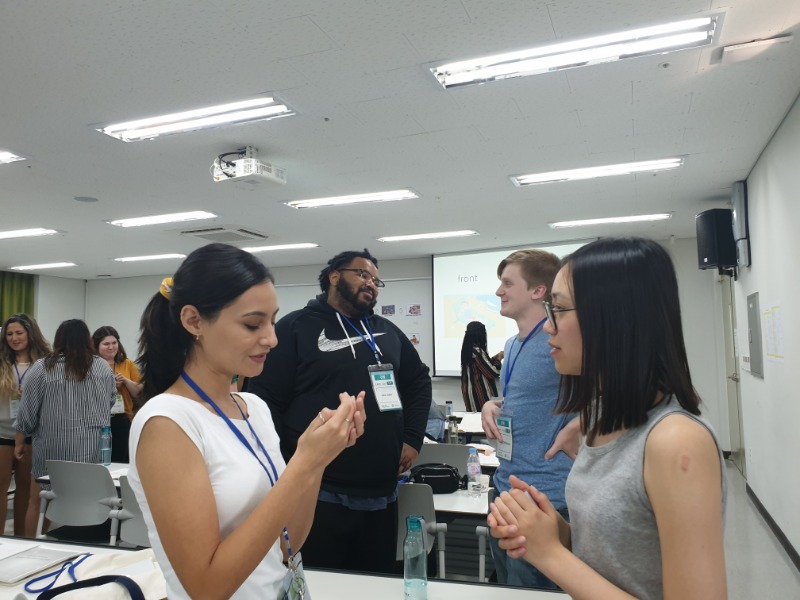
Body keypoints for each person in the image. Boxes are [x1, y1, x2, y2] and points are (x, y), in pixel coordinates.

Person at [489, 237, 727, 600]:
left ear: (612, 319)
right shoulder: (602, 419)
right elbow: (616, 557)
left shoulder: (676, 440)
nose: (548, 327)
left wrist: (550, 554)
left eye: (559, 309)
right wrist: (556, 533)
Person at [128, 243, 366, 599]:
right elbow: (207, 588)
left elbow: (287, 544)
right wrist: (304, 463)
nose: (271, 338)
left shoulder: (253, 407)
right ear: (194, 321)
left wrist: (318, 460)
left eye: (272, 321)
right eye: (253, 324)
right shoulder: (167, 422)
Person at [248, 248, 432, 574]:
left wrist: (413, 437)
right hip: (319, 493)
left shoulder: (387, 332)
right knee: (322, 585)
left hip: (381, 493)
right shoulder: (295, 328)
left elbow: (418, 382)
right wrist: (282, 467)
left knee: (374, 587)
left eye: (376, 280)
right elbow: (265, 401)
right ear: (334, 277)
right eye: (362, 274)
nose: (371, 283)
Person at [480, 248, 580, 589]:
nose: (499, 291)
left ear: (538, 291)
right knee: (507, 589)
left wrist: (583, 422)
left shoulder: (560, 340)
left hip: (544, 495)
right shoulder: (512, 344)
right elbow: (523, 397)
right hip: (504, 489)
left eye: (508, 283)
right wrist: (492, 404)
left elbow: (617, 388)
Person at [14, 319, 115, 537]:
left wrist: (20, 440)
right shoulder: (102, 367)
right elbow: (110, 401)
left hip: (51, 454)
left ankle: (33, 544)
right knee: (88, 501)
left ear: (58, 339)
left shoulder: (42, 367)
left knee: (37, 502)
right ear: (87, 339)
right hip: (92, 453)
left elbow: (28, 412)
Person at [0, 314, 50, 536]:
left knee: (26, 489)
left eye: (19, 333)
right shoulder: (2, 362)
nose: (14, 338)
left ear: (30, 333)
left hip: (31, 433)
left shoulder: (44, 363)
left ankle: (20, 538)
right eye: (9, 334)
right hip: (3, 432)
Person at [92, 326, 142, 463]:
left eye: (114, 343)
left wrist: (125, 381)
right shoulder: (91, 365)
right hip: (98, 420)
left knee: (121, 461)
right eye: (106, 344)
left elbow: (138, 393)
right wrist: (110, 385)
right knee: (101, 460)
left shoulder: (127, 364)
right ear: (96, 346)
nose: (111, 347)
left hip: (123, 418)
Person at [460, 320, 502, 412]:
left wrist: (493, 359)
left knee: (473, 418)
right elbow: (492, 373)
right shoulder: (477, 351)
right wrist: (498, 359)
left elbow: (481, 366)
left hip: (468, 391)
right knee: (483, 418)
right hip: (479, 392)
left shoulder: (468, 350)